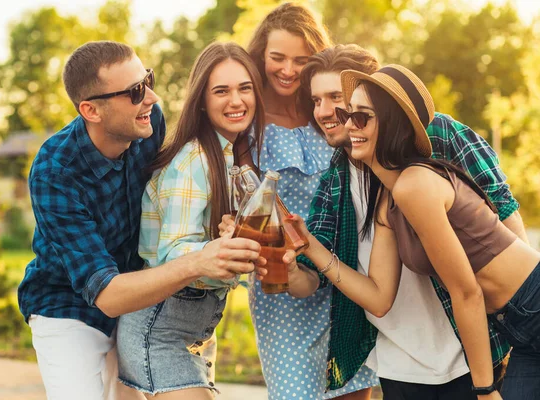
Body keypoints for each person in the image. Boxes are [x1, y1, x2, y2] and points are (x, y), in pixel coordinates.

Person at [18, 41, 262, 400]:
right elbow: (107, 295)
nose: (151, 96)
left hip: (146, 297)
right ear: (91, 110)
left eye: (147, 80)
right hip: (70, 305)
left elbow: (172, 197)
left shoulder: (148, 121)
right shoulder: (55, 171)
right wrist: (200, 259)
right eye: (135, 92)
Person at [285, 64, 540, 400]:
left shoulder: (414, 186)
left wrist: (484, 389)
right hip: (518, 324)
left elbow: (466, 293)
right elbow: (378, 297)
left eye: (362, 117)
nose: (348, 124)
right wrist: (307, 243)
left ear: (391, 125)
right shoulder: (388, 199)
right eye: (349, 115)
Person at [116, 42, 266, 400]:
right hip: (161, 328)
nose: (236, 101)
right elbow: (173, 255)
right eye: (222, 91)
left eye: (245, 88)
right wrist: (220, 251)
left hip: (197, 331)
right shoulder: (194, 160)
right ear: (201, 99)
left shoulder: (234, 156)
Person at [242, 4, 378, 399]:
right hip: (286, 280)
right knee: (296, 391)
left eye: (301, 61)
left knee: (355, 386)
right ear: (260, 57)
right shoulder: (247, 120)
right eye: (277, 58)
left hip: (351, 270)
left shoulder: (326, 109)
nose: (288, 70)